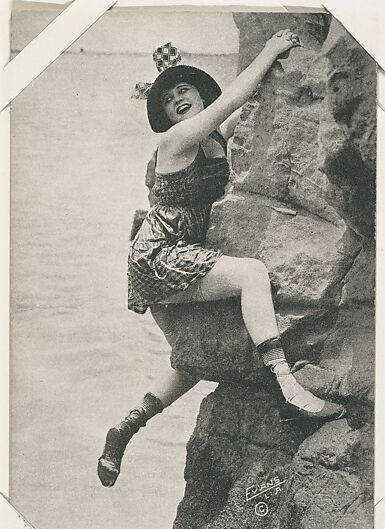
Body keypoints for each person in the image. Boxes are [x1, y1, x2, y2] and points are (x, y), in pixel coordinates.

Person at [97, 32, 346, 488]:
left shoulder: (213, 138)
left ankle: (124, 428)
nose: (177, 101)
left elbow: (241, 109)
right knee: (252, 274)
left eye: (183, 90)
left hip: (173, 257)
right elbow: (234, 97)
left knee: (199, 356)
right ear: (167, 116)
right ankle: (289, 391)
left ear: (199, 92)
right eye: (168, 100)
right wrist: (270, 49)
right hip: (159, 256)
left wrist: (279, 71)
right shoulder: (179, 138)